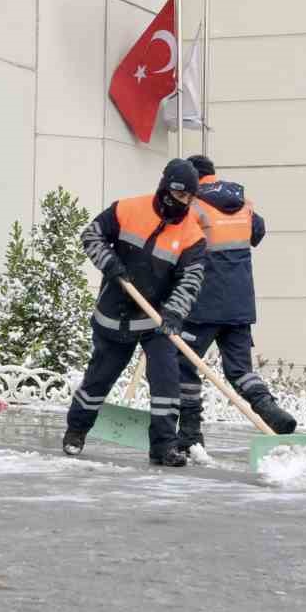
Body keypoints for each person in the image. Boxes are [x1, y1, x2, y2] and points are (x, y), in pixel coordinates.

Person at [65, 158, 207, 467]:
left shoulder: (192, 235)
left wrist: (174, 311)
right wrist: (110, 263)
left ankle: (164, 446)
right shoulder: (127, 209)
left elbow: (192, 278)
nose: (183, 203)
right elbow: (91, 235)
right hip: (114, 311)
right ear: (166, 188)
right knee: (99, 378)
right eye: (180, 196)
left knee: (166, 382)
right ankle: (76, 429)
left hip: (157, 317)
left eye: (189, 199)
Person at [176, 155, 296, 450]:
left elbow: (176, 249)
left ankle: (190, 435)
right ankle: (268, 409)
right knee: (240, 371)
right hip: (239, 306)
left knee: (183, 365)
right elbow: (257, 234)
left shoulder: (192, 206)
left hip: (201, 305)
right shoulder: (244, 206)